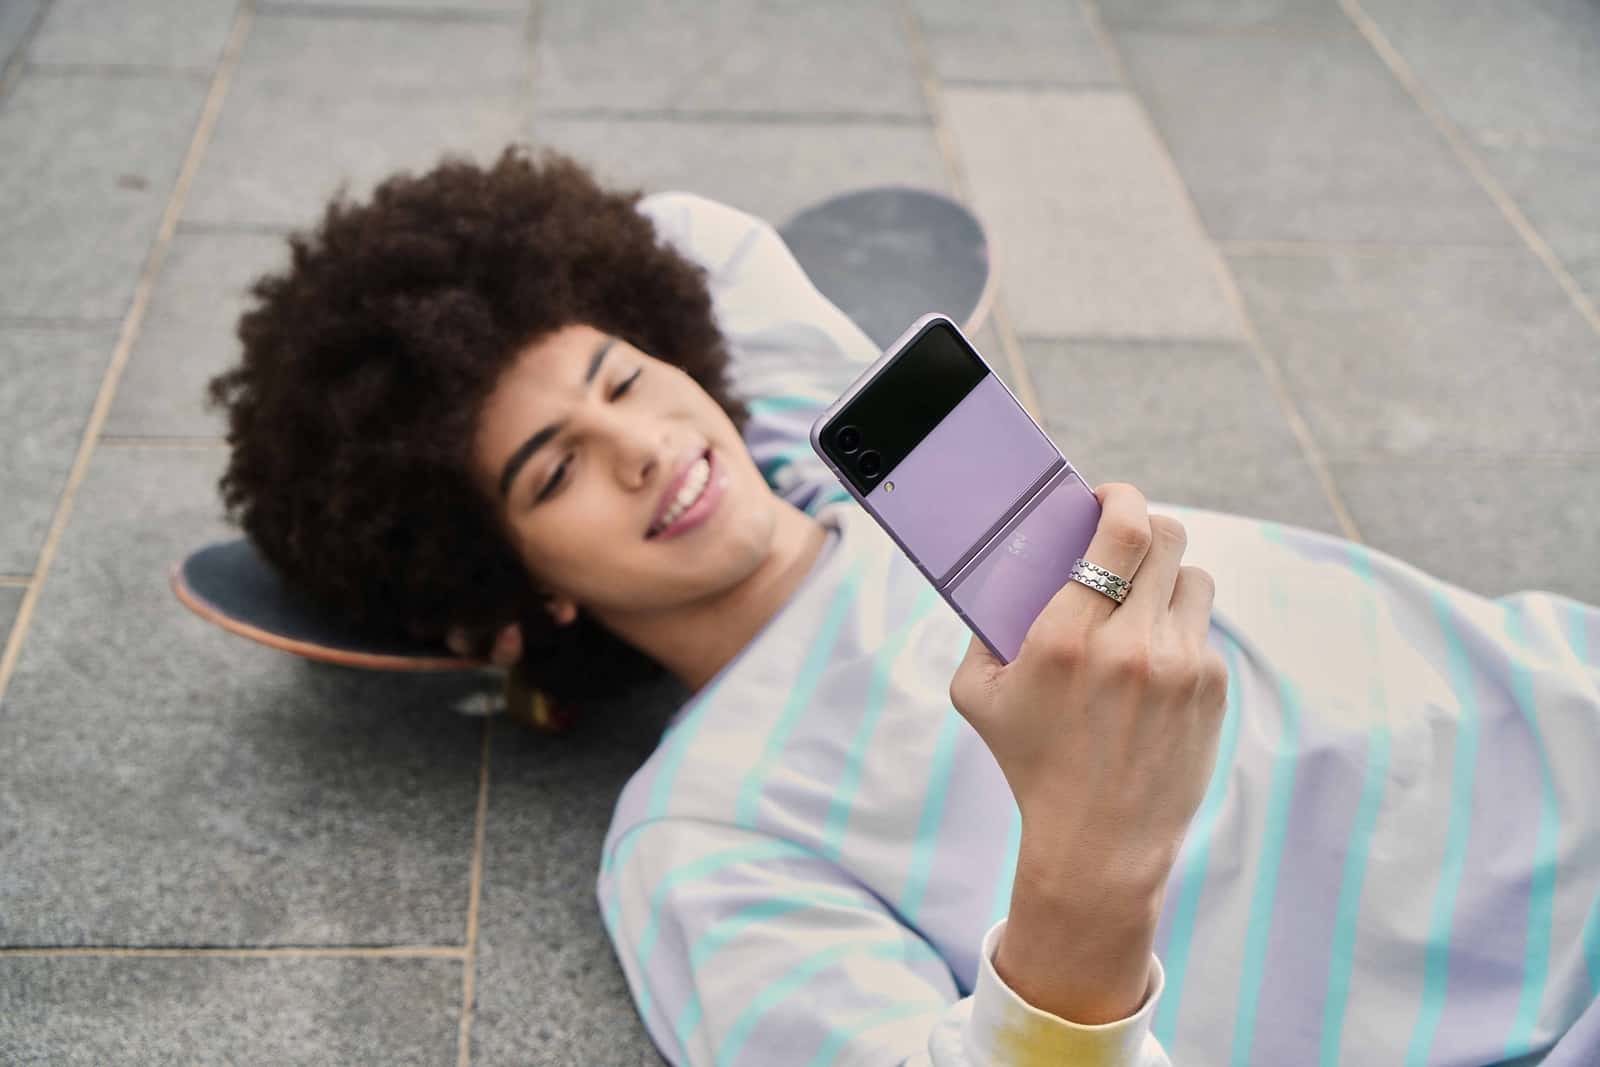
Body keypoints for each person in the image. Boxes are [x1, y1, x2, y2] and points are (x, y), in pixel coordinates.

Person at [207, 146, 1600, 1065]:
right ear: (511, 586)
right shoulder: (702, 841)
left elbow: (690, 240)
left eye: (626, 376)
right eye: (554, 471)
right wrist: (1090, 867)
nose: (644, 446)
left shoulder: (852, 448)